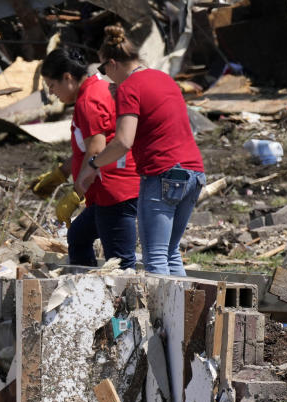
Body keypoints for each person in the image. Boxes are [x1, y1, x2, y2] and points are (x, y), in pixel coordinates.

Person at [76, 24, 205, 276]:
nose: (106, 76)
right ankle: (184, 315)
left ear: (112, 63)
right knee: (170, 252)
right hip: (194, 172)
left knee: (155, 256)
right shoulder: (164, 78)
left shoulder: (129, 87)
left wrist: (93, 166)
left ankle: (164, 317)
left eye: (104, 70)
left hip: (162, 174)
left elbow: (123, 141)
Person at [33, 47, 138, 269]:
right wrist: (60, 174)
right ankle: (85, 292)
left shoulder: (88, 101)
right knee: (79, 237)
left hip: (114, 190)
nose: (52, 93)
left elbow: (96, 151)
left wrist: (74, 194)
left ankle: (123, 302)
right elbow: (86, 147)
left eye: (52, 86)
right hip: (107, 190)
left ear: (67, 78)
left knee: (119, 263)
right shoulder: (95, 89)